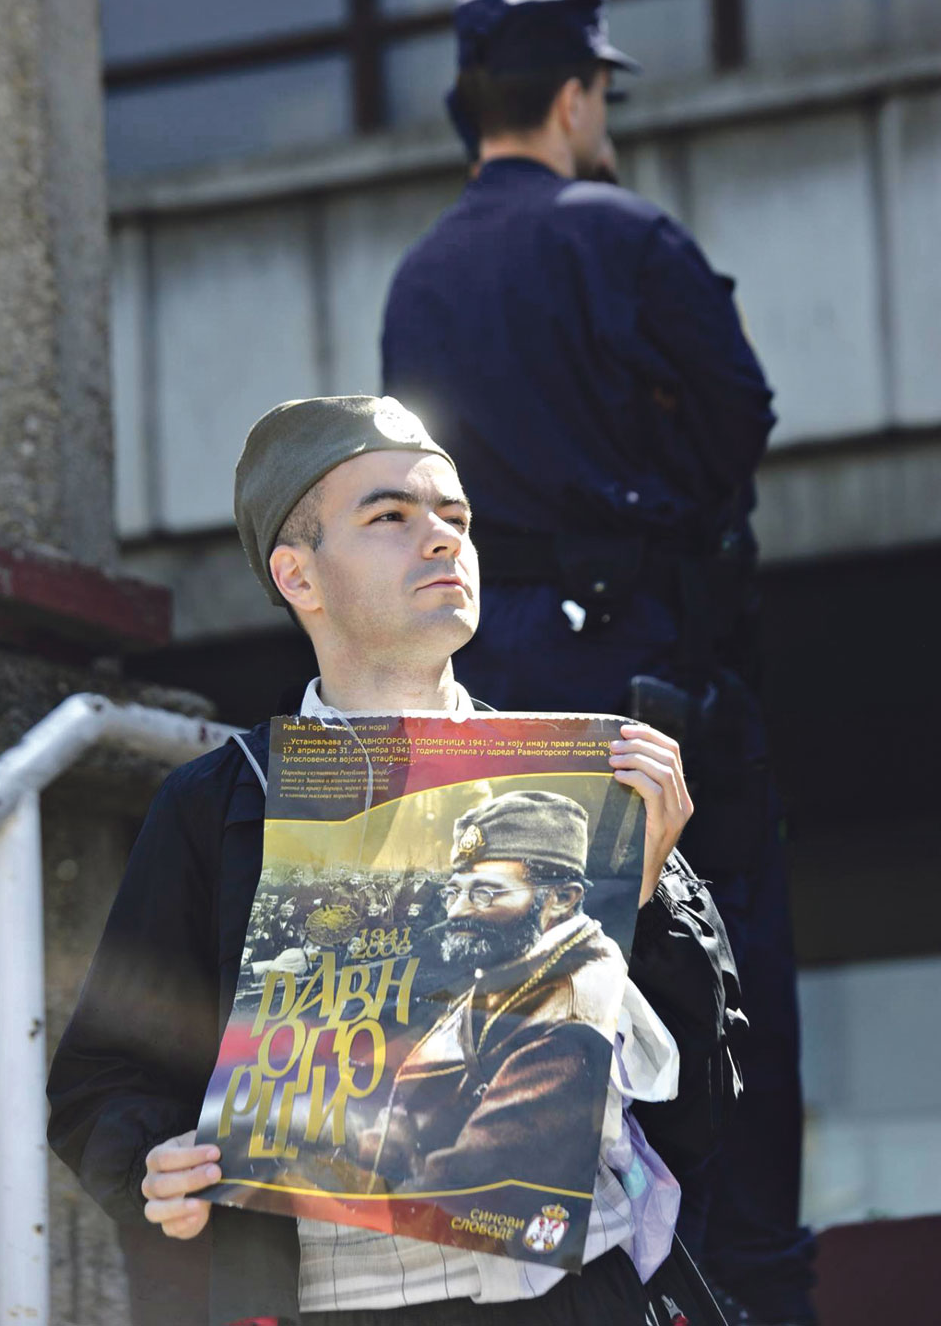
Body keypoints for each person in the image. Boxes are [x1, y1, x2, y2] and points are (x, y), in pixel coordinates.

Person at [47, 394, 735, 1326]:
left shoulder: (583, 783)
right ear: (297, 574)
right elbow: (100, 1080)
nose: (444, 538)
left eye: (456, 516)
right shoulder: (223, 805)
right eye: (391, 516)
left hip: (583, 1293)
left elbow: (710, 1101)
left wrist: (643, 906)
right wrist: (153, 1166)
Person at [381, 0, 814, 1326]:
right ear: (575, 99)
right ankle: (747, 1292)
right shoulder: (624, 235)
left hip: (488, 699)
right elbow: (737, 420)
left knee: (524, 1032)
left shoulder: (418, 279)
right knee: (723, 989)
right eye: (601, 95)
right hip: (644, 681)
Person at [361, 790, 647, 1208]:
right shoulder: (514, 961)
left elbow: (474, 1182)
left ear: (562, 898)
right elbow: (415, 1104)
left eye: (485, 894)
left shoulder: (570, 1015)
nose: (457, 911)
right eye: (454, 892)